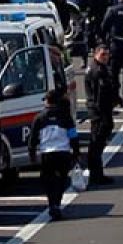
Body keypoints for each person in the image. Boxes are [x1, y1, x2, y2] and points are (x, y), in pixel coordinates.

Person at [28, 87, 80, 220]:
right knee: (62, 179)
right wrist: (76, 152)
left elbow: (33, 138)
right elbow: (73, 135)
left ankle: (52, 204)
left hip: (47, 153)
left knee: (48, 180)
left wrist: (32, 154)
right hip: (63, 152)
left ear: (47, 101)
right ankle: (57, 203)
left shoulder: (39, 118)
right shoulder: (65, 116)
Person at [84, 44, 118, 185]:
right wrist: (104, 115)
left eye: (107, 54)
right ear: (96, 54)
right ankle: (95, 175)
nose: (106, 57)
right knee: (96, 144)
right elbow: (100, 96)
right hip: (99, 112)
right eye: (103, 54)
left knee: (98, 144)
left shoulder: (100, 68)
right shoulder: (97, 71)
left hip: (101, 110)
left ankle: (97, 173)